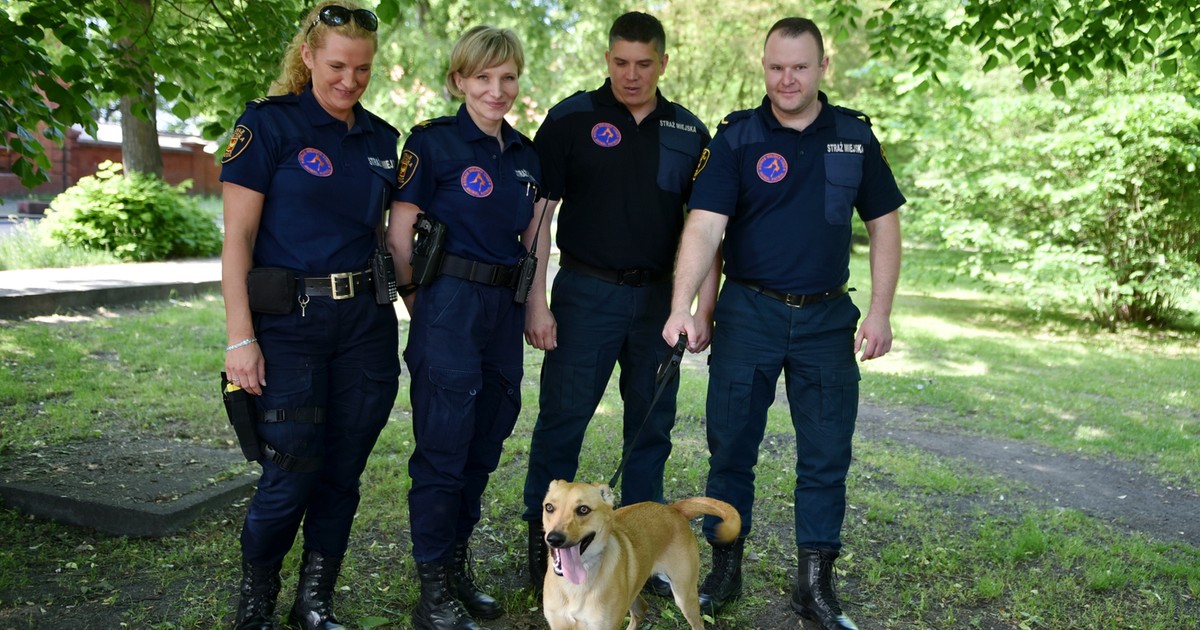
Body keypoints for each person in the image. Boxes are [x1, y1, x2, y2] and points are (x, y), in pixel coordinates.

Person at [662, 17, 905, 630]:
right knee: (731, 448)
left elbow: (884, 226)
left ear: (823, 66)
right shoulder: (739, 137)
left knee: (825, 455)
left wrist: (879, 312)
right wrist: (682, 306)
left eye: (799, 66)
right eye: (776, 67)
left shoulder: (854, 137)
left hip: (827, 320)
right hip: (749, 314)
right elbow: (704, 225)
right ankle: (724, 571)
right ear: (763, 66)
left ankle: (815, 588)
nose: (787, 78)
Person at [521, 11, 718, 596]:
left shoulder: (688, 132)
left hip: (660, 297)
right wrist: (537, 301)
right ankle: (546, 551)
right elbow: (539, 218)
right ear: (608, 59)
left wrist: (701, 306)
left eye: (644, 64)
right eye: (620, 63)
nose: (631, 75)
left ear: (663, 62)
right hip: (585, 292)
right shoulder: (571, 118)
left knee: (651, 427)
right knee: (562, 420)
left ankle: (643, 551)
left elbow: (708, 225)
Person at [219, 3, 401, 629]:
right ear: (307, 57)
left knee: (343, 469)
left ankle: (314, 601)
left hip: (365, 327)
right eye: (337, 66)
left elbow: (382, 236)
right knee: (291, 466)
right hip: (289, 325)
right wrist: (240, 338)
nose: (349, 81)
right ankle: (257, 601)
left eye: (362, 69)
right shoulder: (268, 126)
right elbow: (237, 241)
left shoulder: (382, 140)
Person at [385, 26, 544, 630]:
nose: (496, 90)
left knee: (485, 441)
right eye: (482, 77)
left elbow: (534, 239)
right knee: (444, 450)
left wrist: (537, 306)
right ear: (458, 80)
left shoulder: (527, 157)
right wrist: (419, 305)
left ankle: (455, 567)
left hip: (503, 310)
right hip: (448, 302)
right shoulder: (432, 144)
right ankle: (433, 592)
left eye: (507, 78)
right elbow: (400, 236)